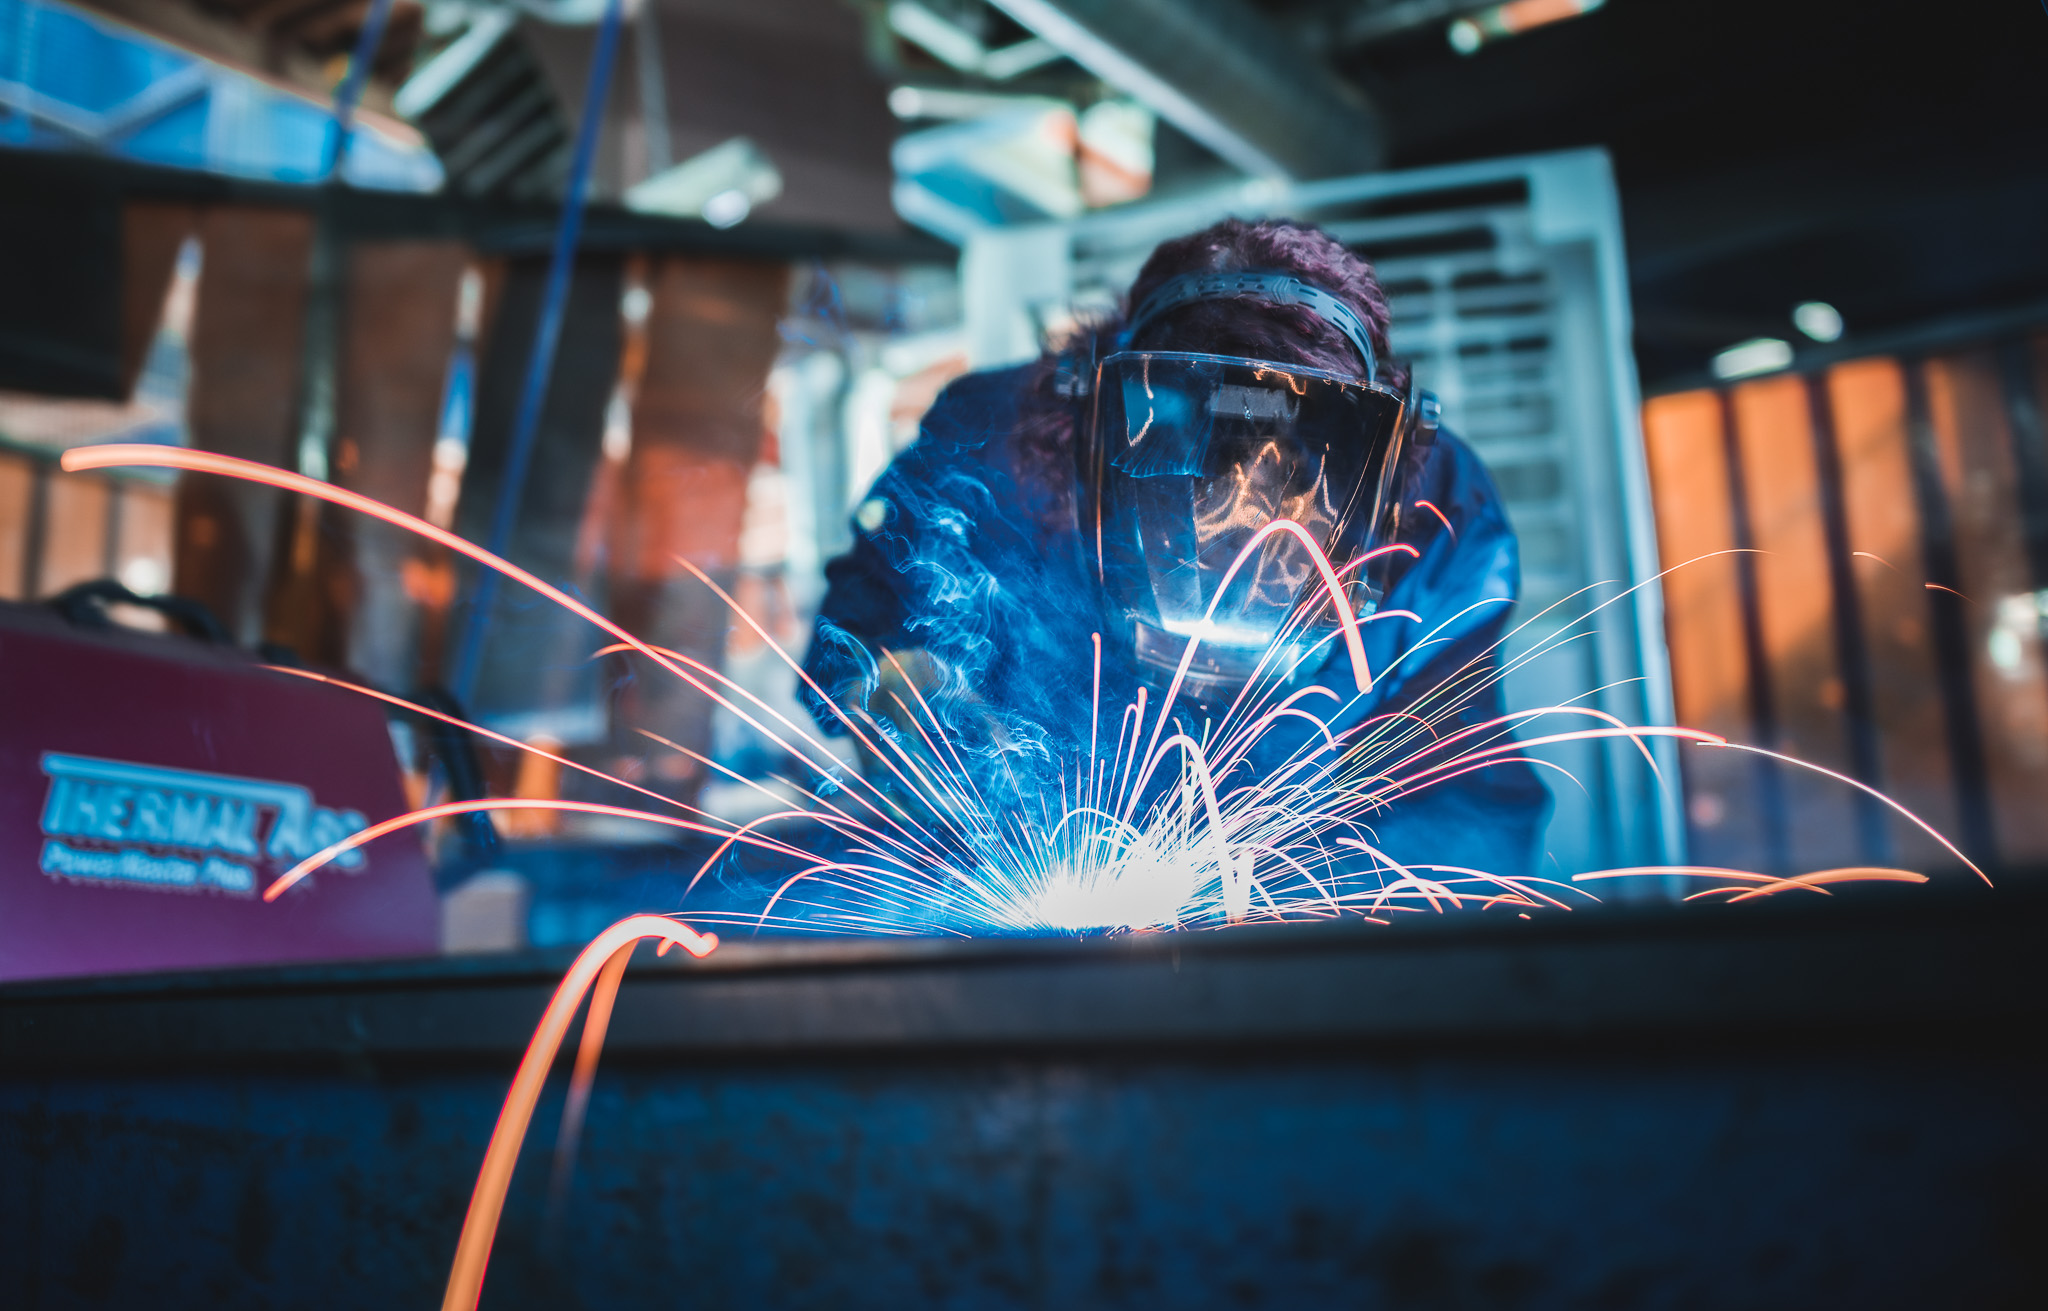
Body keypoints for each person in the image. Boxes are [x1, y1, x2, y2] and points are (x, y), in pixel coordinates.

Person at [799, 218, 1551, 888]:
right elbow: (855, 640)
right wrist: (897, 701)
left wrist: (1311, 919)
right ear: (1094, 426)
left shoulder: (1437, 514)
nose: (1240, 530)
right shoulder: (988, 450)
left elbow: (1466, 810)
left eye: (1287, 485)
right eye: (1198, 488)